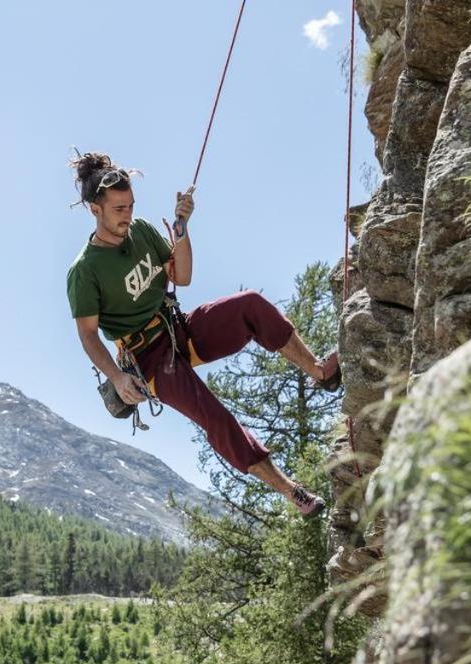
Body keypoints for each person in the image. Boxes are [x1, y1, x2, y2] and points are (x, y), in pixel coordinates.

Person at [65, 152, 341, 517]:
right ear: (94, 209)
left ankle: (321, 372)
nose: (128, 216)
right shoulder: (85, 271)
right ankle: (294, 493)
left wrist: (181, 227)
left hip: (178, 329)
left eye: (131, 206)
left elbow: (182, 276)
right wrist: (116, 378)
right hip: (147, 358)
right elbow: (88, 336)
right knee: (214, 415)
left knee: (250, 305)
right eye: (118, 209)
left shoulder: (142, 231)